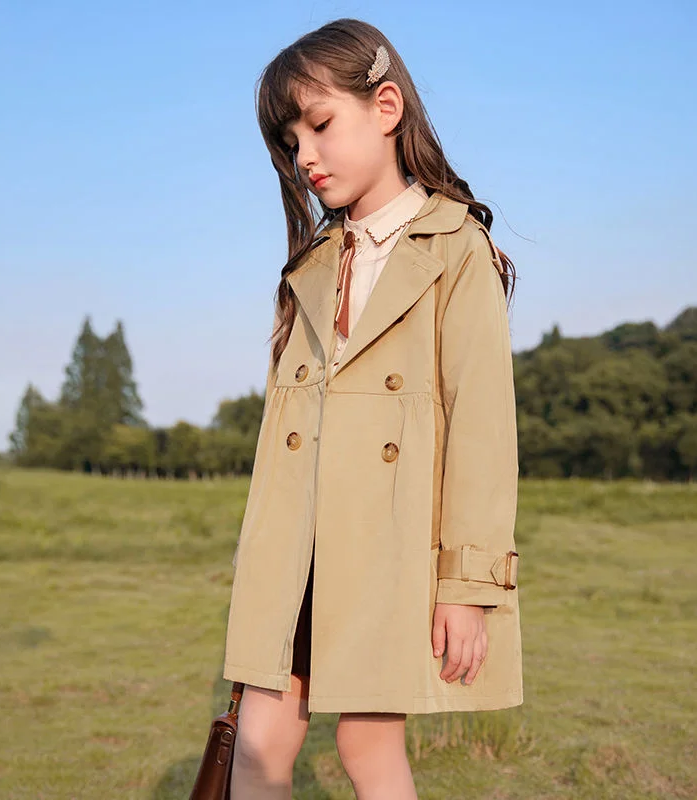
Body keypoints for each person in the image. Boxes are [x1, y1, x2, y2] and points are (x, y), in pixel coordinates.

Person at [222, 17, 521, 800]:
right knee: (259, 745)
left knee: (366, 747)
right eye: (290, 141)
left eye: (320, 125)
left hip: (389, 548)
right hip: (296, 552)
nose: (304, 156)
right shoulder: (312, 266)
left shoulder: (456, 249)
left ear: (386, 107)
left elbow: (483, 429)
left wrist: (467, 586)